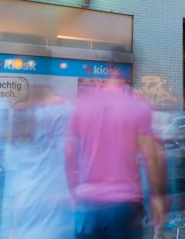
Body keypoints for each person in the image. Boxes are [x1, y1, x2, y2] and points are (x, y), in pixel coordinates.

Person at [66, 72, 166, 239]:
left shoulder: (83, 105)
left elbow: (70, 153)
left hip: (87, 201)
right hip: (124, 204)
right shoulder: (138, 106)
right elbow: (151, 157)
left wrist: (73, 191)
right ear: (126, 77)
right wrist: (158, 197)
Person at [0, 82, 73, 239]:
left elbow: (9, 202)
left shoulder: (13, 153)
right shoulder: (52, 156)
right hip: (54, 227)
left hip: (28, 228)